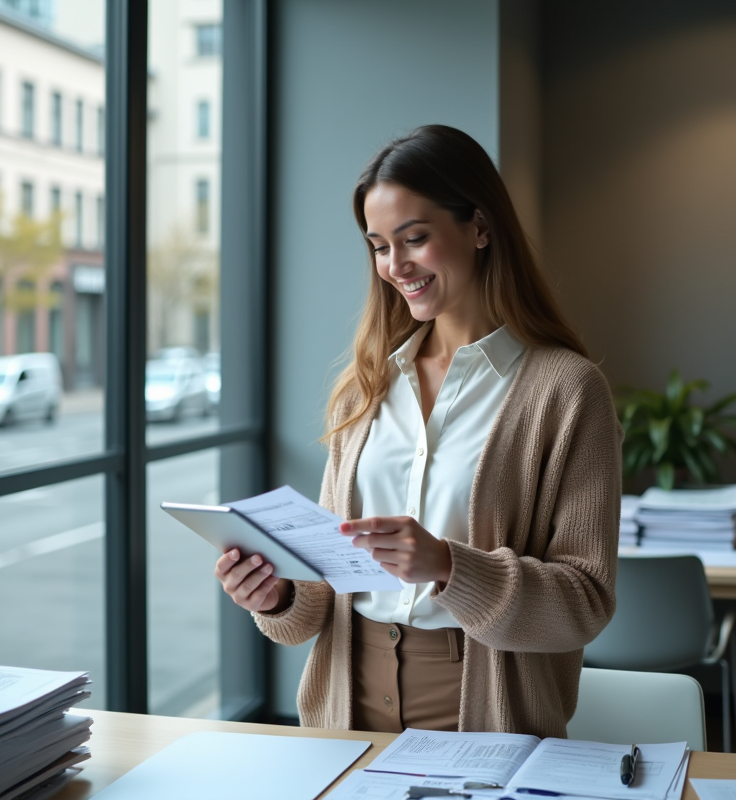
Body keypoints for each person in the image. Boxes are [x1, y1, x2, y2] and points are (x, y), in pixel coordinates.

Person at [214, 124, 620, 738]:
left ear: (480, 227)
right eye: (378, 245)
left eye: (415, 238)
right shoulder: (368, 385)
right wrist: (275, 597)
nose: (394, 265)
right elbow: (327, 587)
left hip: (484, 711)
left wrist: (448, 566)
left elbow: (584, 602)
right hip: (345, 704)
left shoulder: (566, 390)